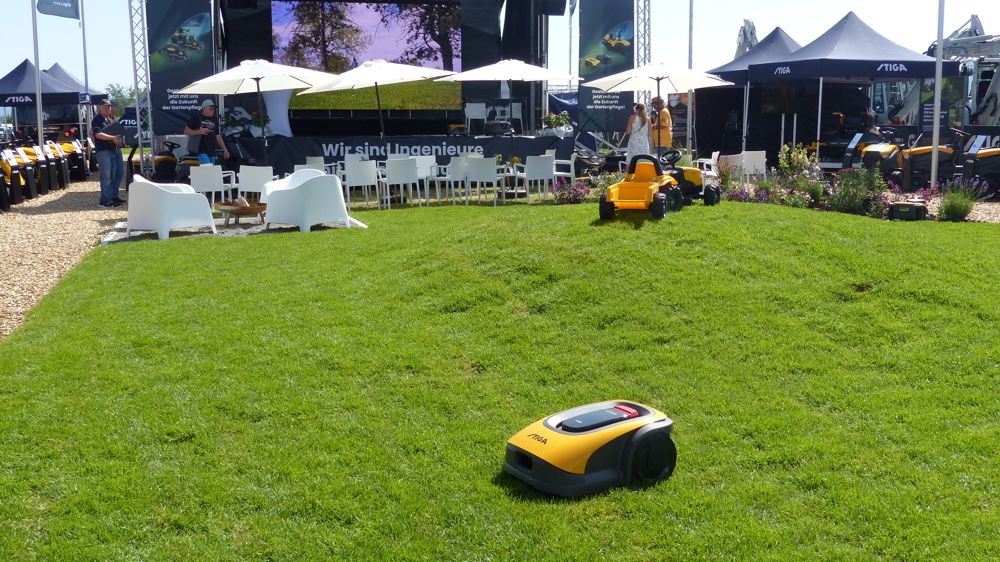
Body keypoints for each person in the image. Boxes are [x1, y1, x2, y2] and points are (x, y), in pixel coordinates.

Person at [91, 98, 124, 208]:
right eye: (105, 107)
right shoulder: (97, 120)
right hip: (103, 151)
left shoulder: (110, 119)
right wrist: (113, 138)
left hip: (112, 150)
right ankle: (105, 201)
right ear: (100, 107)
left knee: (113, 175)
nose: (107, 109)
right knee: (106, 176)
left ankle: (111, 198)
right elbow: (98, 135)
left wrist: (118, 140)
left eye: (109, 107)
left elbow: (116, 133)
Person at [184, 99, 229, 164]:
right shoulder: (196, 117)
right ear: (204, 109)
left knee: (211, 168)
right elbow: (186, 131)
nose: (213, 111)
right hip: (199, 150)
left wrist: (224, 149)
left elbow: (218, 136)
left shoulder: (214, 118)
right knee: (207, 167)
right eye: (211, 109)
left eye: (213, 109)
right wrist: (199, 131)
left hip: (211, 150)